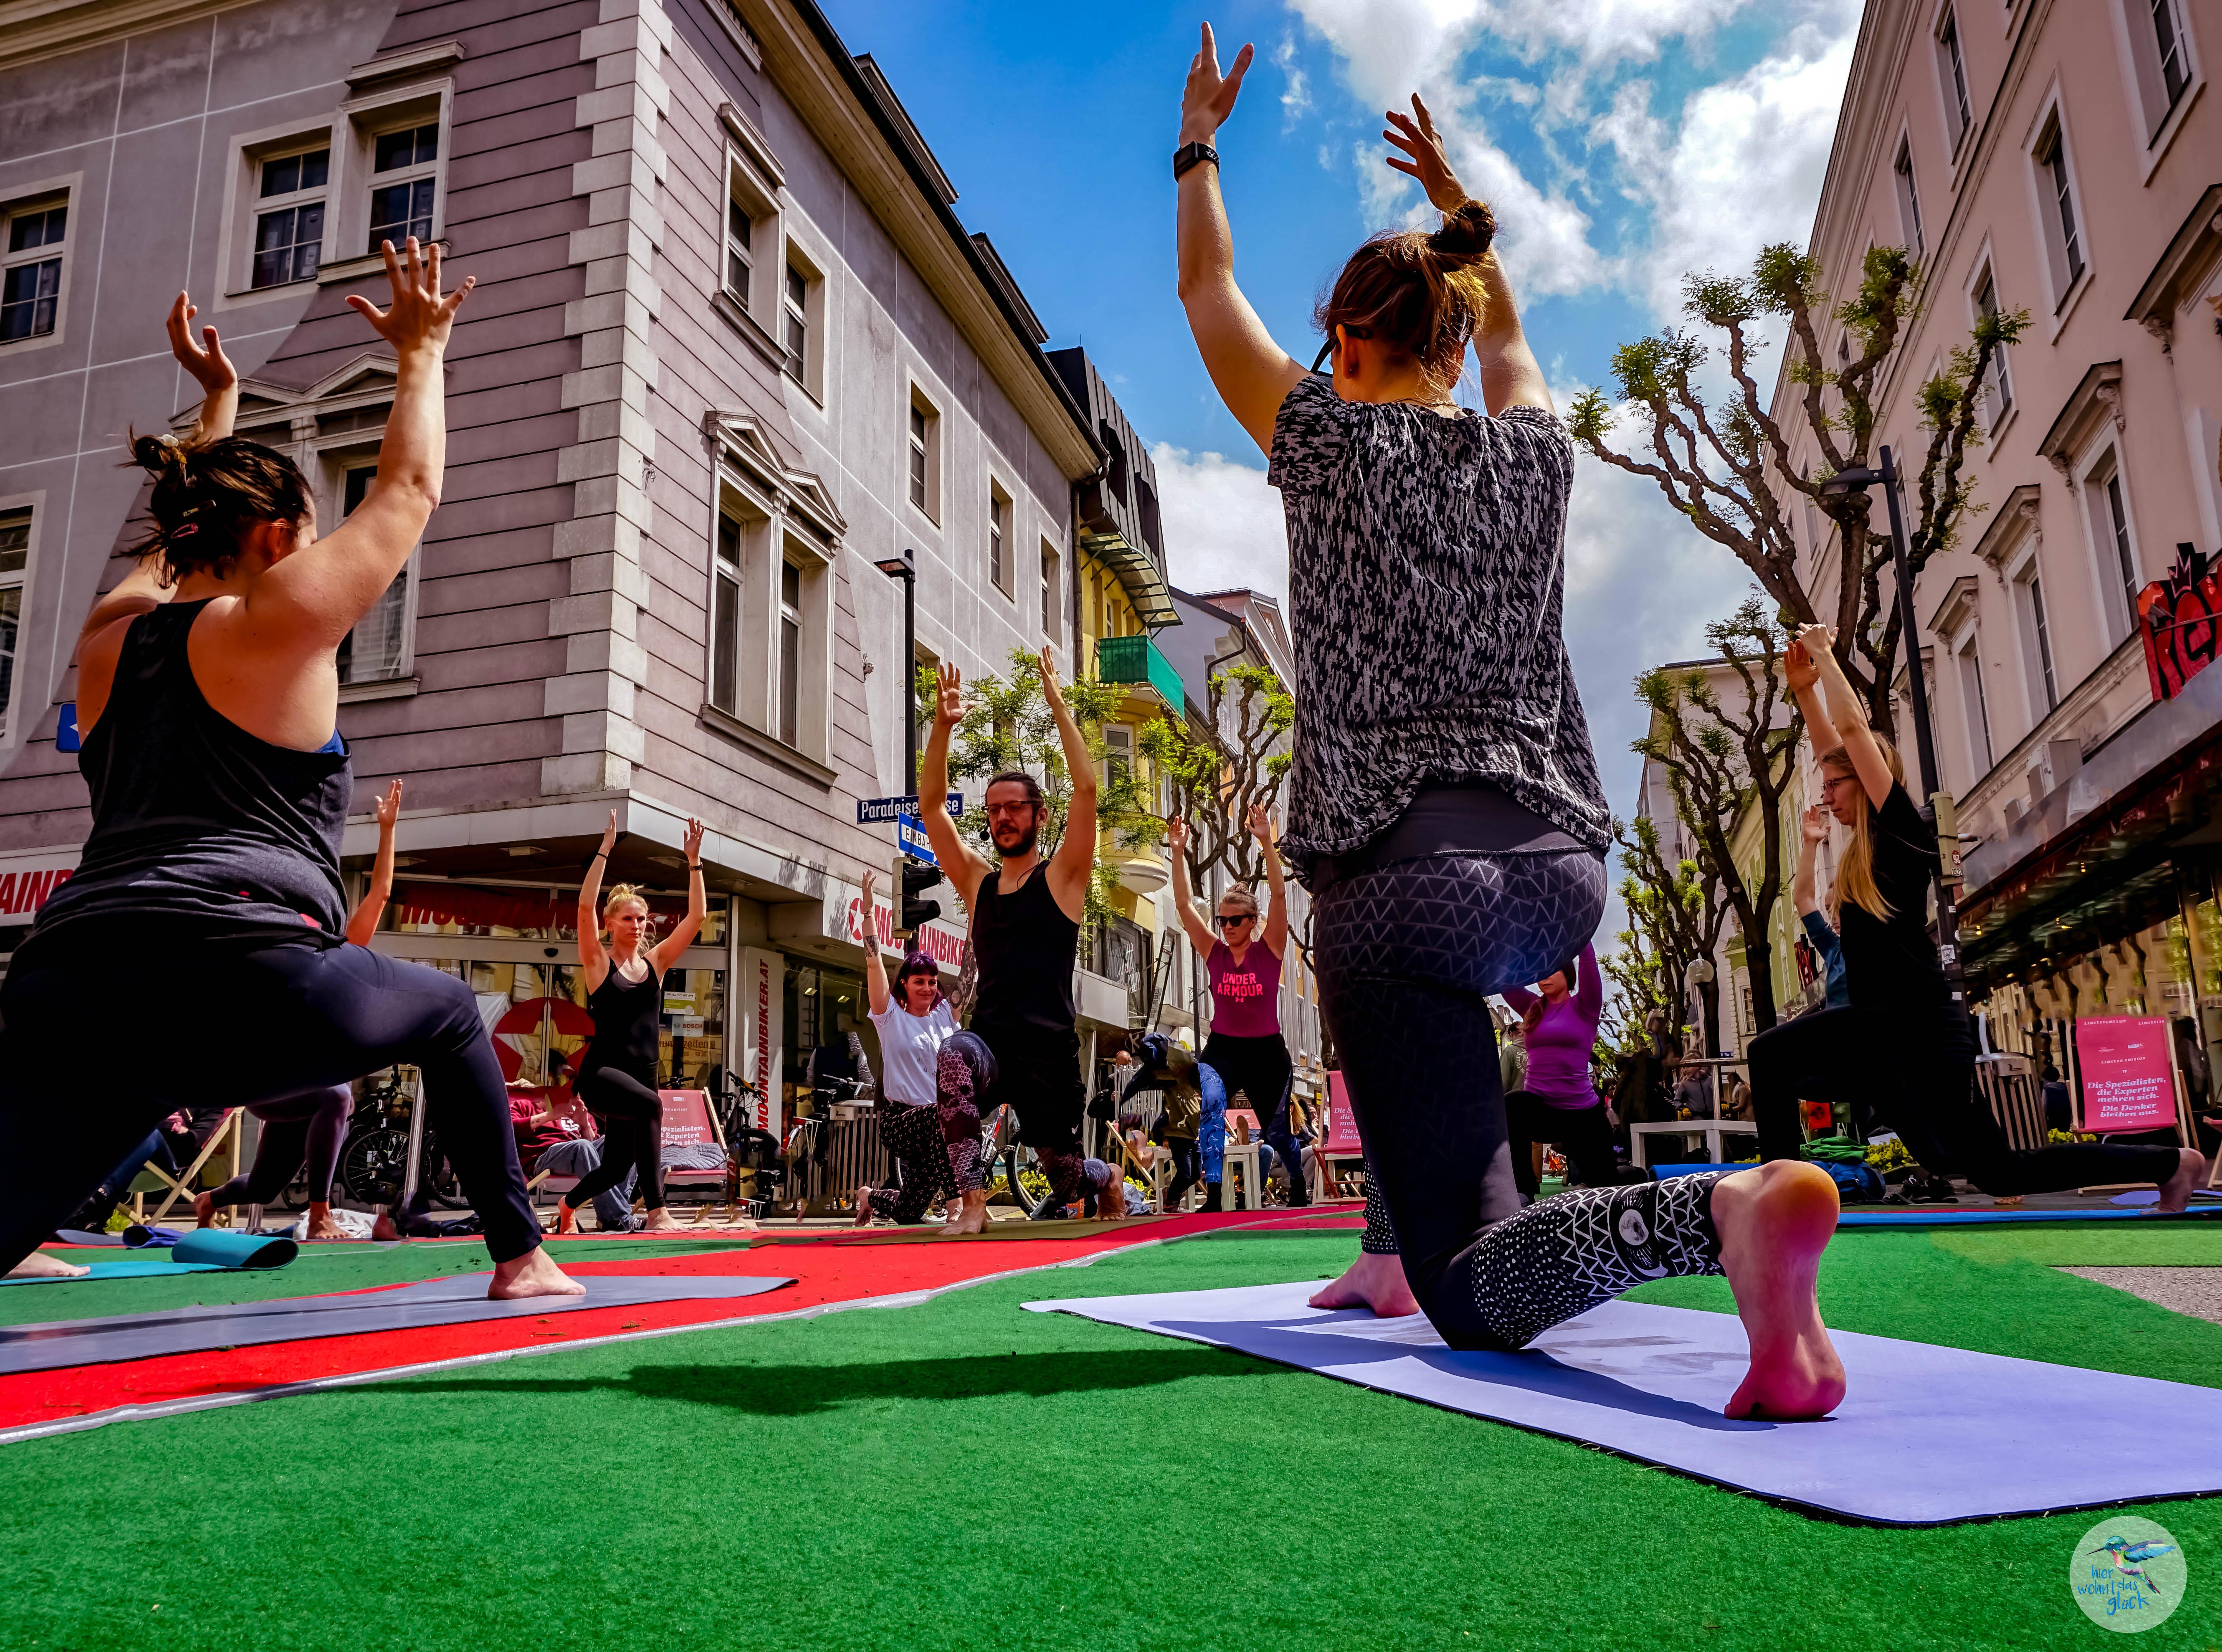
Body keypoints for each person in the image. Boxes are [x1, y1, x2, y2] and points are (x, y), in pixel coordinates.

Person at [1175, 32, 1842, 1416]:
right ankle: (1395, 1245)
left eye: (1330, 347)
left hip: (1401, 888)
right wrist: (1460, 213)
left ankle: (1708, 1218)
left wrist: (1197, 141)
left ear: (1350, 346)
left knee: (1468, 1281)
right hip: (1557, 877)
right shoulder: (1530, 447)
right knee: (1435, 1105)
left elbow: (1203, 284)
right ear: (1459, 336)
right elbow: (1519, 342)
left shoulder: (1320, 439)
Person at [0, 257, 577, 1295]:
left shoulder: (108, 635)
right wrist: (421, 350)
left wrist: (217, 409)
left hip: (69, 982)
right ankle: (522, 1256)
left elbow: (172, 542)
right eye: (304, 538)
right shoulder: (276, 623)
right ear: (276, 538)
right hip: (241, 978)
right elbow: (408, 487)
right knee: (448, 1013)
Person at [1748, 624, 2205, 1210]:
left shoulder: (1900, 834)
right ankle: (2173, 1162)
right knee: (1981, 1170)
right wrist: (1803, 690)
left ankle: (1779, 1202)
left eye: (1834, 786)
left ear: (1863, 786)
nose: (1825, 797)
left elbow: (1852, 733)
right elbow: (1830, 748)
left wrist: (1825, 657)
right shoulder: (1860, 851)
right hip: (1880, 1032)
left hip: (1914, 1027)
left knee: (1770, 1056)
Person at [919, 648, 1126, 1223]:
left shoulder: (1061, 879)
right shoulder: (977, 882)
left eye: (1014, 808)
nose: (1002, 818)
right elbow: (931, 806)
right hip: (991, 1044)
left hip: (1047, 1053)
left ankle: (1106, 1176)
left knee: (1063, 1176)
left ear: (1039, 816)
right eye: (993, 811)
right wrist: (941, 726)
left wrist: (1058, 705)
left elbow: (1086, 792)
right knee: (953, 1055)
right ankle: (972, 1202)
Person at [190, 777, 408, 1237]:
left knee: (266, 1184)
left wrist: (387, 829)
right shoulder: (289, 962)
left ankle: (210, 1199)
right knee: (338, 1094)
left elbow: (381, 894)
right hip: (268, 1080)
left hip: (300, 1086)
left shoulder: (345, 955)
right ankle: (320, 1215)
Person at [551, 810, 708, 1235]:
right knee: (652, 1105)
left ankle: (566, 1208)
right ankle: (658, 1213)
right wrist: (605, 848)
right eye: (628, 918)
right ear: (610, 923)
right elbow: (584, 906)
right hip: (604, 1074)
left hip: (642, 1074)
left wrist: (694, 862)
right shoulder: (599, 964)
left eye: (643, 919)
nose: (638, 926)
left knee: (618, 1164)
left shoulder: (656, 963)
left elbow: (696, 919)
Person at [1166, 805, 1308, 1210]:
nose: (1226, 927)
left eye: (1234, 920)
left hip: (1266, 1052)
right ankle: (1214, 1195)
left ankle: (1297, 1181)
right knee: (1211, 1110)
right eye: (1222, 919)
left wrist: (1266, 841)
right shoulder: (1214, 952)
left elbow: (1279, 895)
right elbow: (1182, 905)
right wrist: (1178, 851)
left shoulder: (1271, 950)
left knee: (1278, 1131)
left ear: (1251, 921)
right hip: (1224, 1048)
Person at [854, 869, 966, 1230]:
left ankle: (869, 1196)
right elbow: (873, 960)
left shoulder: (945, 1018)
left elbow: (970, 972)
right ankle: (956, 1205)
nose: (928, 988)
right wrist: (870, 912)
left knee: (908, 1212)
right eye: (919, 981)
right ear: (904, 984)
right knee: (943, 1115)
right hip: (900, 1122)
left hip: (934, 1131)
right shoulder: (889, 1016)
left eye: (933, 982)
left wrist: (982, 915)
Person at [1499, 945, 1618, 1196]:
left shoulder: (1585, 1005)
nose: (1545, 977)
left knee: (1607, 1186)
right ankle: (1523, 1193)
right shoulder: (1533, 1007)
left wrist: (1578, 927)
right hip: (1542, 1111)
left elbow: (1588, 960)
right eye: (1541, 973)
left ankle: (1638, 1177)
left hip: (1582, 1115)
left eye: (1552, 971)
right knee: (1513, 1104)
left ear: (1568, 975)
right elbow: (1505, 978)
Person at [1118, 1034, 1206, 1208]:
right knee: (1185, 1173)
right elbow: (1145, 1074)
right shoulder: (1172, 1080)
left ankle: (1170, 1193)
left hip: (1195, 1135)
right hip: (1179, 1135)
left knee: (1196, 1174)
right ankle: (1171, 1202)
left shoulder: (1197, 1083)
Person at [1793, 803, 1849, 1011]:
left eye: (1839, 907)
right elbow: (1803, 899)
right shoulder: (1834, 949)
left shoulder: (1883, 940)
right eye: (1828, 910)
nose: (1833, 916)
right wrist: (1810, 844)